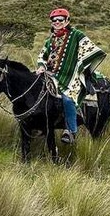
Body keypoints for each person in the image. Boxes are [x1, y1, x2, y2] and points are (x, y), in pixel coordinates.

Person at [35, 8, 106, 144]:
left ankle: (71, 131)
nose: (57, 22)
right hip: (51, 75)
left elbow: (91, 50)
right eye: (54, 20)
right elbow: (42, 56)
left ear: (67, 21)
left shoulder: (77, 35)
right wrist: (41, 66)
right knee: (36, 92)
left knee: (67, 99)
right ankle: (42, 126)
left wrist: (81, 66)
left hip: (71, 76)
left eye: (60, 20)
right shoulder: (50, 40)